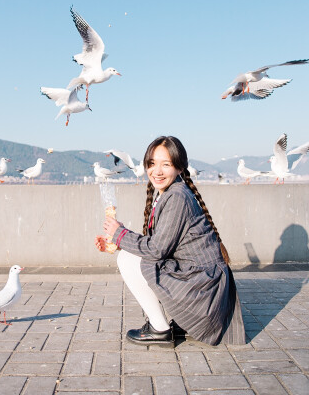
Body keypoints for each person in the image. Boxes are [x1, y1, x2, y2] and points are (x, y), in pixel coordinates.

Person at [95, 136, 245, 346]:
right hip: (203, 286)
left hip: (206, 295)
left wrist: (120, 234)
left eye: (166, 164)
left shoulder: (176, 197)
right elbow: (160, 244)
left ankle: (159, 329)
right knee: (129, 255)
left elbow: (156, 250)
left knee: (127, 260)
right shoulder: (172, 193)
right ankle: (180, 323)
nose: (157, 171)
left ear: (180, 167)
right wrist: (118, 241)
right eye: (152, 163)